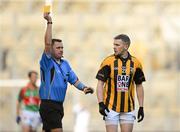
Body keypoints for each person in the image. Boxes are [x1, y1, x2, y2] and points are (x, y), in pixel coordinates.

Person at [39, 12, 94, 132]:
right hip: (49, 104)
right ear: (51, 50)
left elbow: (74, 80)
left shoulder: (65, 64)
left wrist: (84, 88)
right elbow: (47, 43)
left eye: (62, 47)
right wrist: (49, 22)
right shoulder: (48, 62)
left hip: (58, 106)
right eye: (58, 48)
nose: (61, 50)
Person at [96, 34, 145, 132]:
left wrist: (141, 107)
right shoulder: (108, 61)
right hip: (110, 108)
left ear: (126, 46)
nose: (114, 47)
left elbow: (139, 85)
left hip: (128, 108)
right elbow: (100, 84)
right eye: (114, 44)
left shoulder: (136, 63)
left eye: (117, 45)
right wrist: (101, 103)